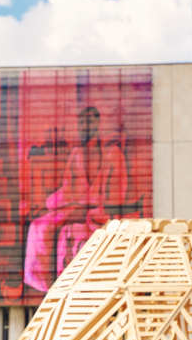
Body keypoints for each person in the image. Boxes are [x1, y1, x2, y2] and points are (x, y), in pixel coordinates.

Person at [24, 106, 126, 292]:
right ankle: (44, 287)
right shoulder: (77, 154)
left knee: (43, 226)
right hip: (76, 207)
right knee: (37, 225)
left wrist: (97, 206)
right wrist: (48, 205)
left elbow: (118, 193)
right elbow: (66, 188)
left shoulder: (113, 154)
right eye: (81, 123)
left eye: (89, 121)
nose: (84, 126)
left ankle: (48, 285)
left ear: (97, 124)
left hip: (100, 211)